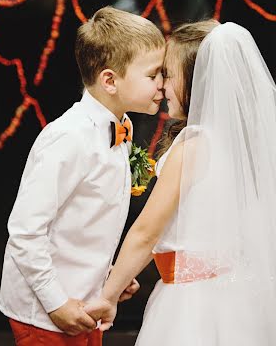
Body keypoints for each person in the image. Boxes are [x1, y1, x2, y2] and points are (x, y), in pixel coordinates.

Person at [85, 20, 276, 345]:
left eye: (168, 75)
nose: (161, 86)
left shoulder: (195, 145)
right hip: (236, 296)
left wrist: (107, 295)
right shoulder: (237, 144)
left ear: (196, 80)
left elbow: (147, 233)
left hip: (193, 303)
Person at [0, 6, 165, 345]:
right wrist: (56, 302)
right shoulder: (68, 138)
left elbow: (85, 219)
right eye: (153, 75)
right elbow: (25, 231)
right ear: (109, 80)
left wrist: (108, 276)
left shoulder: (123, 127)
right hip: (46, 313)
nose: (163, 84)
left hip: (88, 303)